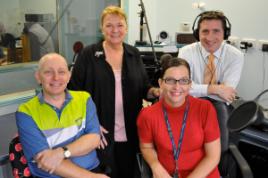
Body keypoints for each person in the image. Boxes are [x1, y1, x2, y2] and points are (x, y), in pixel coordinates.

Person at [68, 5, 159, 178]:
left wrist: (154, 92)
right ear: (101, 28)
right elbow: (73, 93)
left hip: (131, 132)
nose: (115, 30)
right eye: (109, 25)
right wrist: (91, 124)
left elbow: (144, 88)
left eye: (120, 25)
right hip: (100, 135)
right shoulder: (88, 54)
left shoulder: (134, 53)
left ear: (126, 28)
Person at [16, 53, 109, 178]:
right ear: (38, 77)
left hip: (92, 169)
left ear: (69, 76)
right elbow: (45, 160)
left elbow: (93, 139)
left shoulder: (84, 99)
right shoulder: (26, 112)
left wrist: (61, 153)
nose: (56, 78)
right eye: (48, 72)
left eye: (61, 72)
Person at [137, 56, 221, 178]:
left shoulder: (205, 109)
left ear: (190, 84)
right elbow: (146, 147)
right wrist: (156, 167)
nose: (177, 87)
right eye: (170, 80)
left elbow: (213, 156)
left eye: (183, 80)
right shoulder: (147, 115)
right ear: (160, 83)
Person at [178, 11, 244, 165]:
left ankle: (219, 170)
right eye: (205, 31)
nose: (209, 37)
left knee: (223, 135)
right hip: (190, 105)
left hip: (220, 106)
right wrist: (215, 89)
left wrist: (196, 88)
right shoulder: (186, 52)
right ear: (197, 33)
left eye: (216, 31)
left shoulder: (236, 56)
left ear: (225, 33)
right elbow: (181, 85)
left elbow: (227, 92)